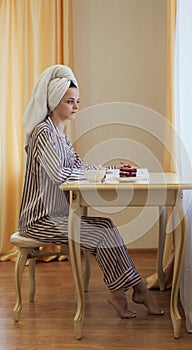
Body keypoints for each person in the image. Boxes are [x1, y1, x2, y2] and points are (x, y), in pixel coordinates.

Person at [19, 64, 164, 319]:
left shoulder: (60, 134)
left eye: (77, 101)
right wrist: (93, 173)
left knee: (106, 225)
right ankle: (130, 291)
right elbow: (59, 175)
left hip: (58, 216)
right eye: (70, 102)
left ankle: (132, 290)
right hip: (40, 219)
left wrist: (106, 170)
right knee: (100, 234)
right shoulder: (43, 133)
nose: (76, 106)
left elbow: (77, 166)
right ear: (54, 102)